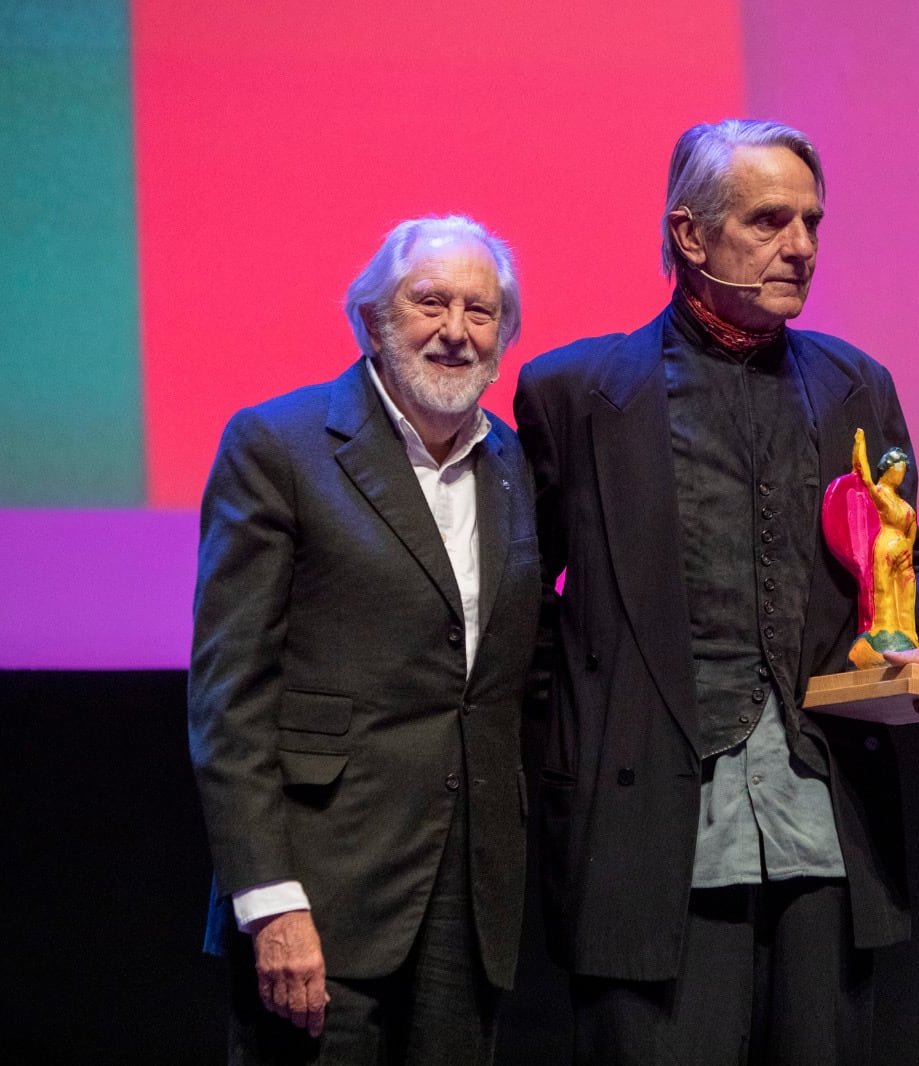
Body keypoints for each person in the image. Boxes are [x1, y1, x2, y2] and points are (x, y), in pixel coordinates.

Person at [513, 119, 919, 1064]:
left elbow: (909, 569)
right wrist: (577, 740)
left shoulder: (854, 384)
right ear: (689, 234)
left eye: (814, 222)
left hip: (823, 817)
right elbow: (524, 612)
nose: (802, 246)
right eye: (771, 220)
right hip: (646, 827)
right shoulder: (574, 393)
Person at [188, 214, 542, 1064]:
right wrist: (269, 901)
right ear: (373, 320)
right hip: (321, 896)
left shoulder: (516, 465)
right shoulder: (279, 444)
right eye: (429, 302)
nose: (455, 331)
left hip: (469, 897)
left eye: (481, 311)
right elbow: (229, 696)